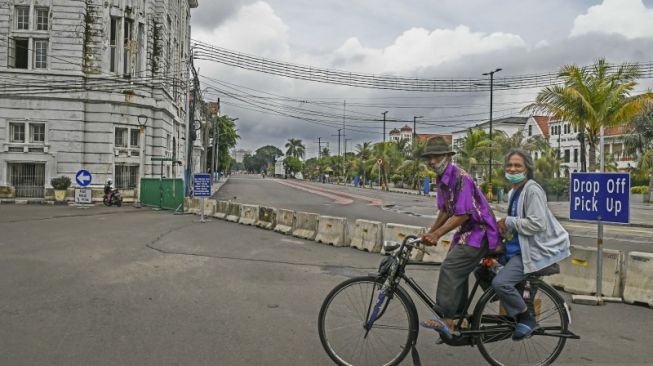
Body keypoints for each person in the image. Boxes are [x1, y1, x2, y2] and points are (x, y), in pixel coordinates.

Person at [418, 136, 501, 339]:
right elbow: (445, 211)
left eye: (436, 157)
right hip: (466, 232)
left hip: (480, 231)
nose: (432, 161)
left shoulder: (461, 178)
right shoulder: (443, 180)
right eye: (430, 158)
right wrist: (431, 232)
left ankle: (447, 320)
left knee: (451, 267)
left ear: (447, 156)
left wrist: (438, 234)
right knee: (458, 270)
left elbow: (463, 213)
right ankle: (459, 317)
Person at [494, 149, 571, 340]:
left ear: (527, 169)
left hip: (530, 253)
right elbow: (518, 222)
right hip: (516, 249)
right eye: (509, 165)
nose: (512, 169)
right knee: (482, 269)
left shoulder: (532, 190)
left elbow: (537, 223)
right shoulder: (514, 192)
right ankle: (512, 308)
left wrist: (509, 221)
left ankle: (526, 319)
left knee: (501, 283)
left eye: (517, 165)